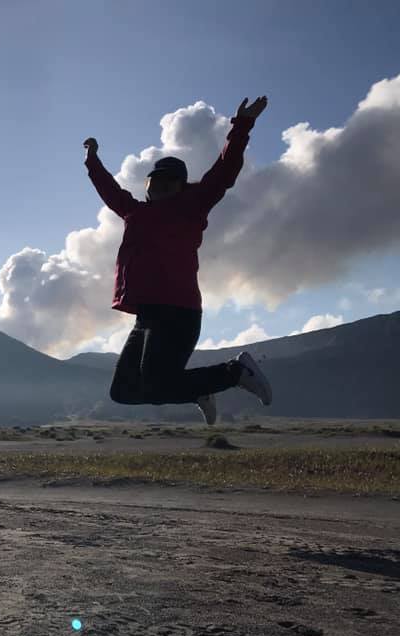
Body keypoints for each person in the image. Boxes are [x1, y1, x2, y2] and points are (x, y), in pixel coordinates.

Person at [83, 96, 273, 425]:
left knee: (156, 383)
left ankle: (235, 371)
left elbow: (225, 172)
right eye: (153, 182)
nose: (158, 187)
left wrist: (242, 125)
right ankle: (198, 390)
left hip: (177, 312)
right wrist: (93, 162)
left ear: (180, 186)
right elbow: (112, 193)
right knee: (124, 391)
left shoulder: (193, 206)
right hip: (147, 315)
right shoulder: (136, 213)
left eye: (168, 182)